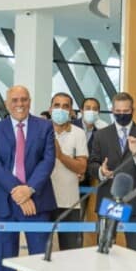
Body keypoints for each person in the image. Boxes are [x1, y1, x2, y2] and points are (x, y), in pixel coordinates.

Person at [0, 85, 69, 271]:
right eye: (14, 100)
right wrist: (17, 191)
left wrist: (29, 189)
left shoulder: (44, 127)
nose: (19, 104)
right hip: (5, 203)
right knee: (5, 260)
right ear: (6, 103)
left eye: (23, 99)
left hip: (37, 202)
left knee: (42, 262)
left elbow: (48, 160)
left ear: (30, 101)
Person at [87, 92, 136, 251]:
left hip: (135, 199)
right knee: (104, 248)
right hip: (108, 196)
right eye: (118, 112)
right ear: (112, 110)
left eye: (125, 111)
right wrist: (101, 170)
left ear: (132, 110)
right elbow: (92, 163)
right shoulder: (101, 135)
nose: (121, 115)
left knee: (135, 250)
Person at [49, 92, 88, 250]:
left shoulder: (78, 133)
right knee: (39, 251)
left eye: (65, 106)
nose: (61, 109)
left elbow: (81, 167)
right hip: (44, 200)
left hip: (69, 202)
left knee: (70, 252)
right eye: (57, 105)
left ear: (72, 111)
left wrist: (61, 156)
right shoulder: (41, 131)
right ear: (50, 109)